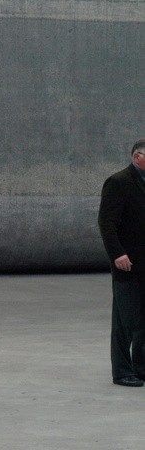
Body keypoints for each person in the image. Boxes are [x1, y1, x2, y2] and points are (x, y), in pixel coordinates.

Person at [98, 138, 145, 387]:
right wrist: (117, 253)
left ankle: (141, 366)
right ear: (137, 157)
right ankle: (122, 371)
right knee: (125, 320)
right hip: (127, 264)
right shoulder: (118, 183)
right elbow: (107, 223)